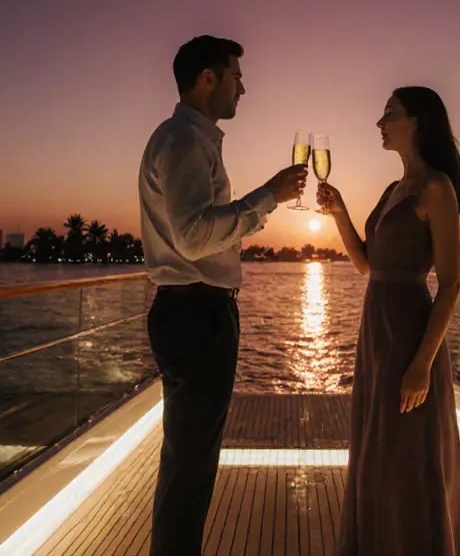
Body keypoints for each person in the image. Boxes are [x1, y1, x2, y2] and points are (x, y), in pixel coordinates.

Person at [138, 35, 308, 555]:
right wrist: (269, 196)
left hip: (191, 310)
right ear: (207, 79)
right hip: (196, 313)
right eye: (236, 76)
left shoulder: (186, 139)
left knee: (188, 460)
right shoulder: (186, 141)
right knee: (191, 466)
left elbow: (201, 230)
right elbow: (192, 236)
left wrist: (261, 206)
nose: (243, 87)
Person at [317, 86, 460, 555]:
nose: (380, 123)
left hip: (409, 334)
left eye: (390, 114)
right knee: (376, 453)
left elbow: (450, 283)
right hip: (376, 332)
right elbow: (368, 265)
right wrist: (340, 212)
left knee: (408, 456)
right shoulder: (393, 190)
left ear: (417, 122)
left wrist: (422, 364)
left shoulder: (436, 188)